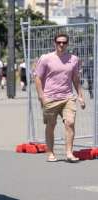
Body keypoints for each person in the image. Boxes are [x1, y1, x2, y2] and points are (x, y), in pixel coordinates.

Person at [34, 33, 85, 163]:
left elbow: (75, 78)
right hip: (50, 97)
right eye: (59, 42)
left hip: (68, 97)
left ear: (67, 44)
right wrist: (42, 97)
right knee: (51, 125)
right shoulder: (46, 58)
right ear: (54, 43)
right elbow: (38, 78)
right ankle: (50, 152)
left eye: (64, 42)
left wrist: (80, 96)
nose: (61, 45)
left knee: (70, 123)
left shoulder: (74, 59)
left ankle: (69, 153)